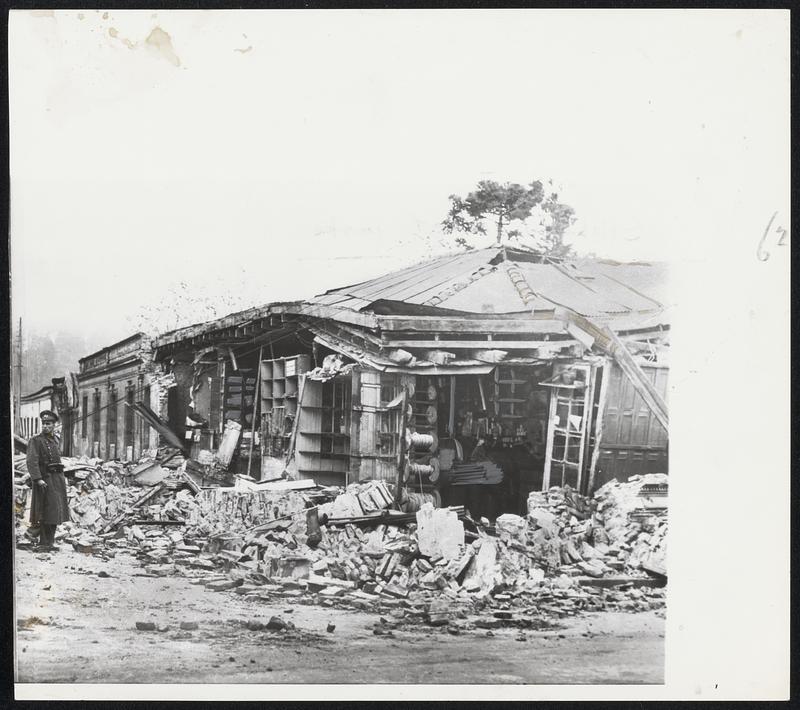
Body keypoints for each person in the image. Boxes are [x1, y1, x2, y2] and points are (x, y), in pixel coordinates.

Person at [26, 410, 69, 552]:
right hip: (44, 480)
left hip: (57, 480)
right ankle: (43, 543)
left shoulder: (54, 441)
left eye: (48, 423)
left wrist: (63, 479)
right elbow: (32, 461)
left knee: (56, 511)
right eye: (44, 423)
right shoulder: (35, 441)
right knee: (45, 512)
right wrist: (37, 479)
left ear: (54, 425)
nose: (45, 426)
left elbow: (58, 460)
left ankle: (50, 543)